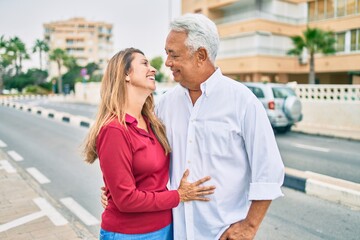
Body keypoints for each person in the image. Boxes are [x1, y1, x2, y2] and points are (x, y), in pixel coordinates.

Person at [102, 14, 285, 240]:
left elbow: (268, 171)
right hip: (175, 232)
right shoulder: (165, 105)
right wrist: (116, 192)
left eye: (174, 54)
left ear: (201, 55)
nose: (166, 62)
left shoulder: (242, 101)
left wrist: (249, 226)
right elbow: (139, 158)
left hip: (221, 232)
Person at [83, 47, 215, 240]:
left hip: (166, 228)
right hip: (129, 234)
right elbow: (126, 200)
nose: (152, 69)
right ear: (126, 74)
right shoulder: (114, 130)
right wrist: (179, 195)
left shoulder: (152, 122)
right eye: (144, 64)